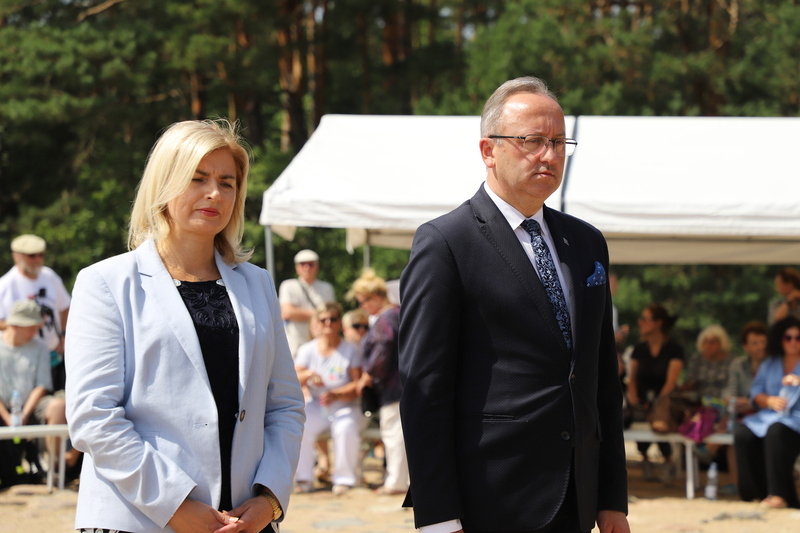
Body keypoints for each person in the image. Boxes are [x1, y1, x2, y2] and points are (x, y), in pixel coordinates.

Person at [399, 76, 629, 533]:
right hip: (490, 498)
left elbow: (601, 378)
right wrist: (439, 517)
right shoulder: (446, 242)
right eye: (531, 141)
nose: (548, 154)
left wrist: (611, 498)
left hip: (577, 499)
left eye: (559, 142)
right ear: (489, 150)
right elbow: (424, 392)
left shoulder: (586, 243)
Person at [65, 119, 305, 533]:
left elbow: (284, 406)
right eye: (198, 178)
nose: (214, 192)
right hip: (137, 521)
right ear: (164, 183)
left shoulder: (259, 284)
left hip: (244, 522)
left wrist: (269, 498)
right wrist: (174, 506)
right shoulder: (105, 282)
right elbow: (94, 417)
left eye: (227, 182)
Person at [294, 303, 365, 495]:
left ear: (339, 322)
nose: (328, 323)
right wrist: (308, 374)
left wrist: (338, 394)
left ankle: (344, 479)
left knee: (345, 428)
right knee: (300, 424)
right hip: (317, 406)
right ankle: (304, 478)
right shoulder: (307, 350)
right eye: (323, 319)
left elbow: (358, 383)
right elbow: (293, 378)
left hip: (346, 405)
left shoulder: (350, 349)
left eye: (332, 319)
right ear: (315, 322)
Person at [0, 300, 79, 469]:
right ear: (15, 324)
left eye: (37, 327)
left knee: (59, 405)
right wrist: (9, 418)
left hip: (31, 407)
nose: (36, 332)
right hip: (3, 409)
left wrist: (24, 415)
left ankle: (56, 467)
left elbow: (42, 385)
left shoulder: (40, 346)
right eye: (31, 327)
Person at [350, 269, 408, 496]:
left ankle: (396, 482)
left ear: (374, 297)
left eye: (363, 302)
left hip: (394, 388)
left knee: (394, 436)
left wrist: (368, 374)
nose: (362, 307)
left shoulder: (387, 318)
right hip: (400, 386)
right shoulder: (396, 314)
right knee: (397, 435)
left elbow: (383, 349)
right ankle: (399, 480)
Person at [734, 316, 800, 509]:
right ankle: (753, 495)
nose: (793, 342)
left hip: (795, 421)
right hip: (769, 417)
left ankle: (778, 495)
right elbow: (756, 392)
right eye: (788, 337)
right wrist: (769, 401)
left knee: (776, 431)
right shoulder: (770, 363)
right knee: (743, 433)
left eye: (798, 338)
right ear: (780, 339)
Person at [0, 234, 71, 391]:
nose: (38, 259)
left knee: (59, 402)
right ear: (16, 256)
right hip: (24, 360)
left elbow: (65, 306)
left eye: (41, 255)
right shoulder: (5, 285)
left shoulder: (50, 276)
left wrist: (63, 335)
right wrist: (24, 324)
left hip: (54, 356)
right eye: (32, 256)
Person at [627, 303, 683, 480]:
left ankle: (668, 460)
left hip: (664, 400)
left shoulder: (674, 349)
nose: (640, 322)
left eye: (645, 319)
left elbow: (671, 382)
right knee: (633, 415)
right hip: (642, 401)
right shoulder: (639, 349)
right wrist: (634, 398)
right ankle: (645, 458)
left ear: (658, 323)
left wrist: (657, 404)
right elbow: (632, 378)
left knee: (660, 420)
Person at [279, 249, 335, 357]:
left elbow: (331, 316)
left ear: (317, 266)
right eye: (302, 264)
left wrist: (298, 313)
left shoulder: (327, 288)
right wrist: (318, 314)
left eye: (311, 264)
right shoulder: (288, 286)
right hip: (295, 344)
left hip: (320, 344)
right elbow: (286, 313)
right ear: (297, 267)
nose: (307, 267)